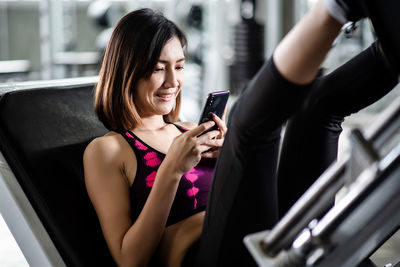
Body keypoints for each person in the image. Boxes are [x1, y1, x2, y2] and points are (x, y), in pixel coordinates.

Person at [83, 1, 399, 266]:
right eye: (157, 68)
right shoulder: (108, 150)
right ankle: (337, 7)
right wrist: (172, 169)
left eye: (178, 66)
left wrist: (228, 164)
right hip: (210, 258)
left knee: (314, 108)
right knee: (247, 127)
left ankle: (391, 51)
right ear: (127, 69)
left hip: (264, 235)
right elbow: (128, 259)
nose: (172, 82)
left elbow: (251, 199)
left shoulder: (189, 130)